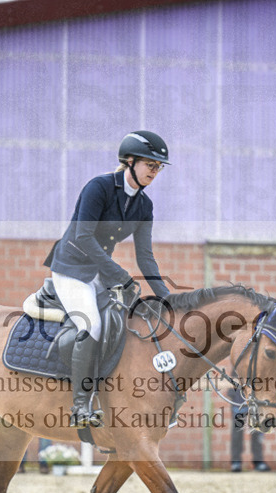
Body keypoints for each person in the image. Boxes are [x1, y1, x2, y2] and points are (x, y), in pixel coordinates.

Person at [42, 131, 172, 427]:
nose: (154, 171)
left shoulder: (144, 206)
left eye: (158, 167)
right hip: (71, 268)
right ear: (130, 161)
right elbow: (83, 237)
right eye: (150, 164)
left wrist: (167, 297)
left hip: (100, 273)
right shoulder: (98, 187)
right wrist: (120, 275)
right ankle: (79, 406)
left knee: (125, 323)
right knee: (93, 324)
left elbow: (145, 257)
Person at [228, 383, 270, 472]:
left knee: (257, 432)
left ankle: (258, 462)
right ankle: (236, 462)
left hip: (256, 399)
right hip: (238, 399)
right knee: (237, 434)